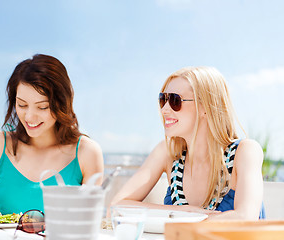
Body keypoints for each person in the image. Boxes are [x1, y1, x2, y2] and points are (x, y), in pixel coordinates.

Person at [111, 66, 265, 220]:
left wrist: (184, 219)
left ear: (205, 106)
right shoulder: (168, 153)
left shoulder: (244, 152)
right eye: (163, 100)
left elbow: (245, 218)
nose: (164, 110)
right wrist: (182, 212)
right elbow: (116, 206)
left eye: (175, 100)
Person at [0, 54, 104, 214]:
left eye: (42, 107)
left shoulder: (87, 153)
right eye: (22, 105)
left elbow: (90, 225)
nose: (29, 117)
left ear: (62, 103)